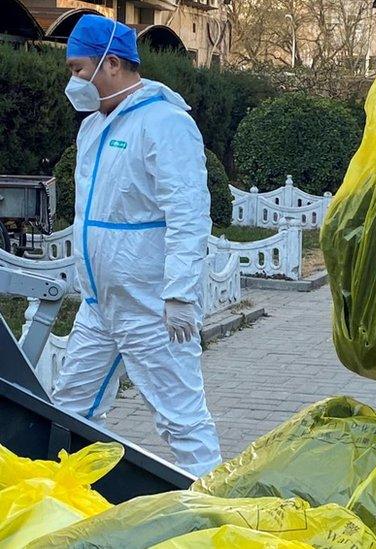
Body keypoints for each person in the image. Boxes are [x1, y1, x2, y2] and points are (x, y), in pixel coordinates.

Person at [52, 14, 221, 476]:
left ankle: (219, 520)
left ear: (111, 64)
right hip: (99, 304)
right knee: (69, 410)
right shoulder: (92, 128)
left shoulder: (164, 124)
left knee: (181, 421)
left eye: (78, 69)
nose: (74, 81)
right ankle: (70, 504)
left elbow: (188, 213)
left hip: (152, 306)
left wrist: (180, 293)